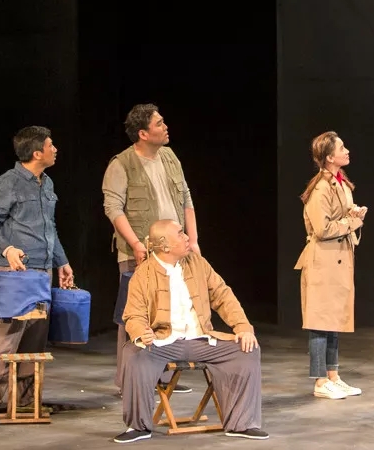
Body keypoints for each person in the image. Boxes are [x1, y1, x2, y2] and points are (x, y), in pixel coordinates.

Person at [114, 219, 268, 443]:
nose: (187, 237)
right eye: (180, 233)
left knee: (247, 349)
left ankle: (241, 424)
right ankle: (138, 426)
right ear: (165, 245)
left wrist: (243, 327)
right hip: (163, 342)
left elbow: (223, 295)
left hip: (201, 340)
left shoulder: (198, 263)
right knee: (132, 353)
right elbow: (133, 314)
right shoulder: (143, 274)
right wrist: (140, 333)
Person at [0, 126, 74, 419]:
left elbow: (50, 228)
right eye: (51, 145)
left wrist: (62, 262)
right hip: (14, 272)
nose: (55, 149)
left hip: (42, 271)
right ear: (37, 153)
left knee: (35, 339)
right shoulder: (7, 183)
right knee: (6, 335)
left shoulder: (47, 183)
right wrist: (7, 249)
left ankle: (26, 399)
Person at [103, 103, 198, 394]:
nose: (165, 127)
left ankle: (161, 378)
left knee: (168, 312)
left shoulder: (169, 156)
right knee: (133, 316)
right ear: (143, 133)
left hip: (173, 251)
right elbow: (113, 208)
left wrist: (193, 240)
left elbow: (186, 198)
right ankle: (129, 381)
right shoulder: (122, 164)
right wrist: (135, 244)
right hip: (140, 253)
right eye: (159, 123)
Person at [294, 132, 367, 399]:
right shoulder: (321, 188)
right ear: (329, 157)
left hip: (337, 259)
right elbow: (323, 229)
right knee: (320, 321)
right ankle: (320, 381)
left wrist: (353, 213)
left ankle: (333, 376)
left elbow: (339, 215)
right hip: (322, 261)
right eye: (341, 148)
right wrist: (353, 222)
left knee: (333, 318)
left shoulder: (340, 183)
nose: (347, 151)